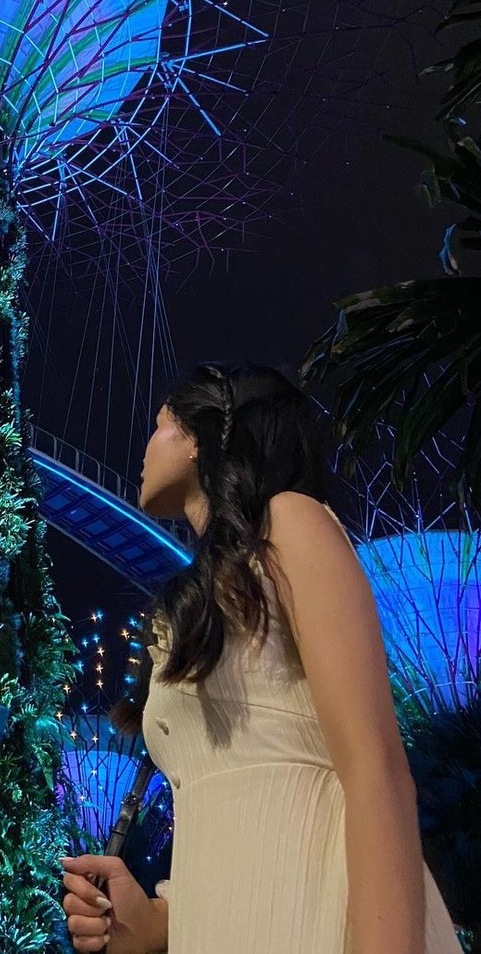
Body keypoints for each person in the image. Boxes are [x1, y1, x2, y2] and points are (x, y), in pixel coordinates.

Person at [60, 361, 463, 954]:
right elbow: (240, 813)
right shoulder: (197, 606)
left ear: (198, 437)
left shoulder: (291, 522)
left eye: (158, 425)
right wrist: (153, 920)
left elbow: (376, 771)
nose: (142, 450)